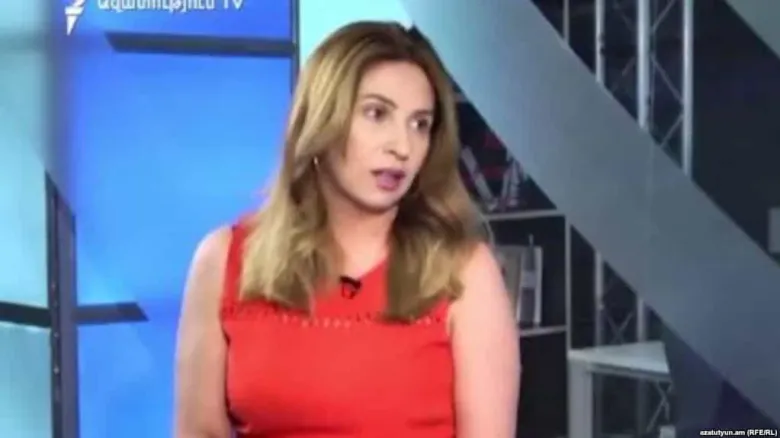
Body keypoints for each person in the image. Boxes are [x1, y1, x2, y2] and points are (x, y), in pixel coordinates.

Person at [174, 21, 520, 438]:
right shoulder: (224, 261)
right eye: (377, 114)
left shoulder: (464, 273)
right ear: (321, 120)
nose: (402, 147)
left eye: (420, 124)